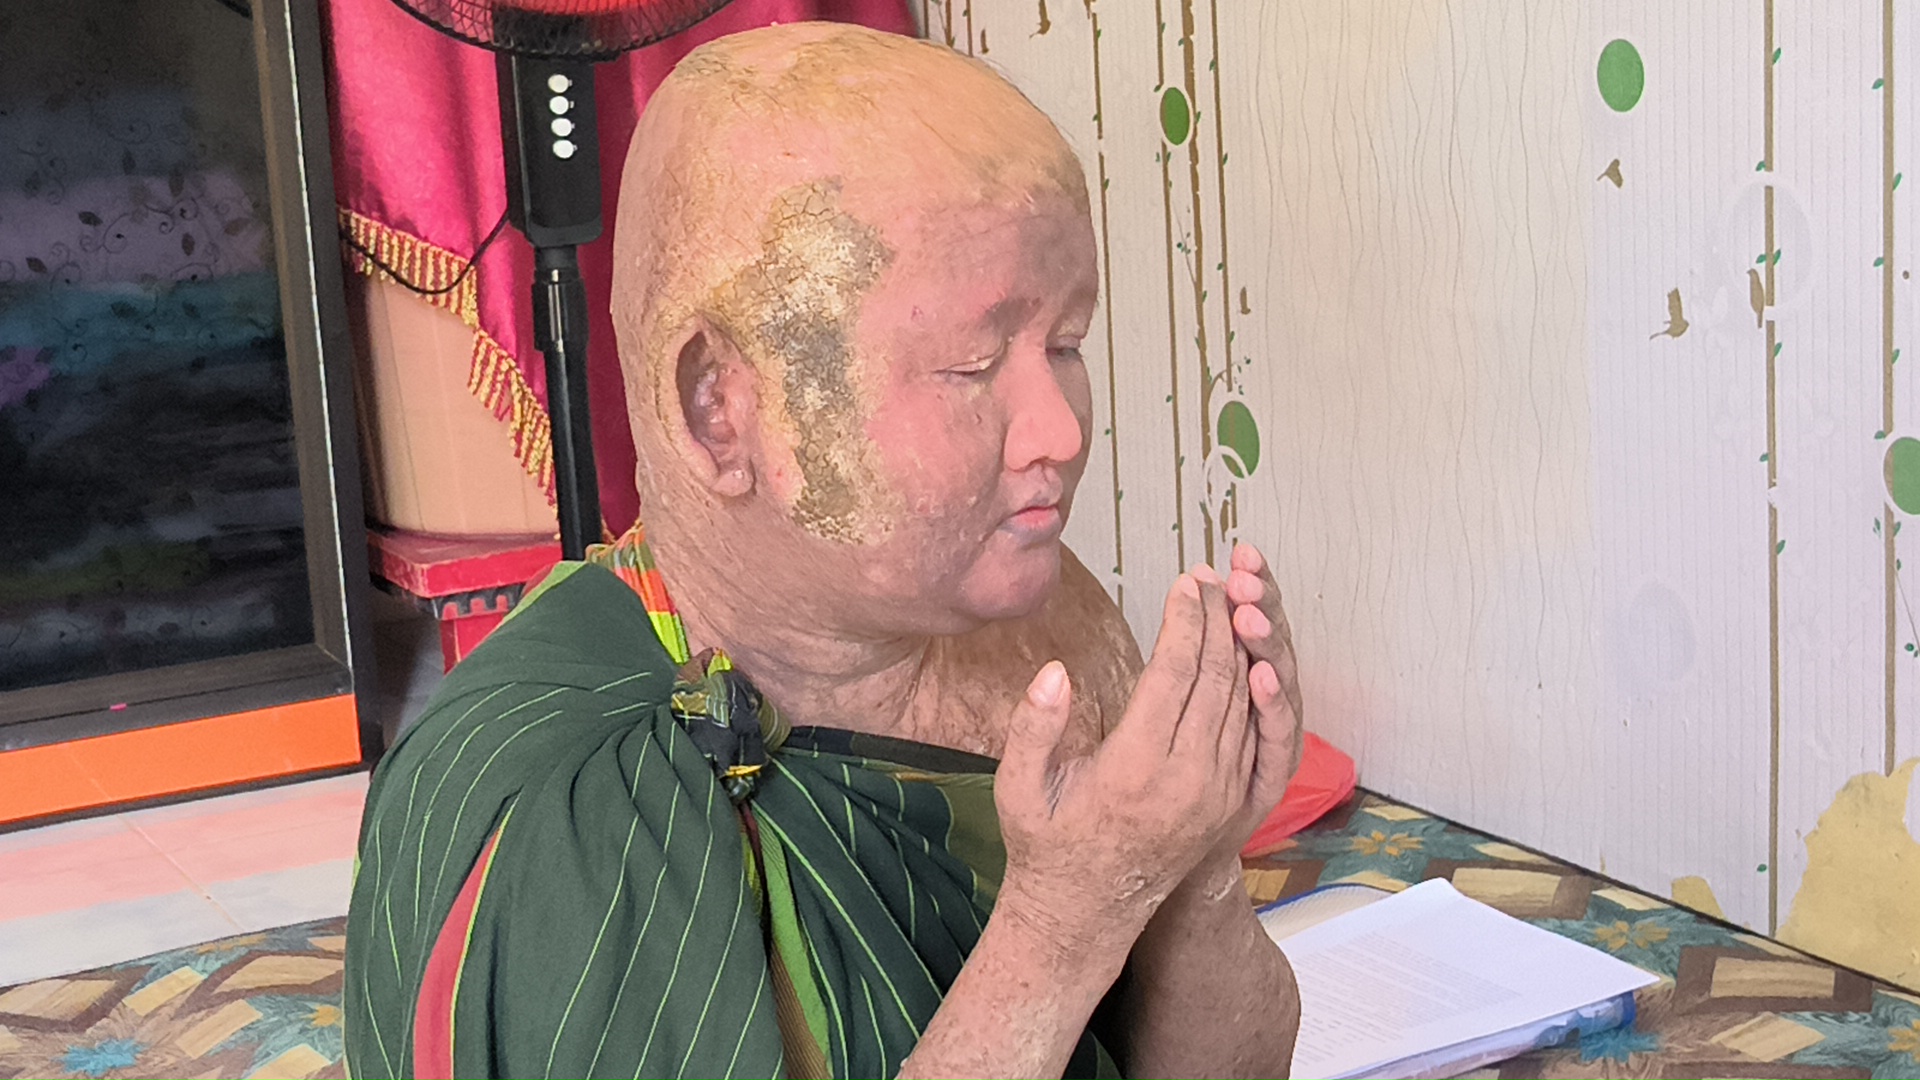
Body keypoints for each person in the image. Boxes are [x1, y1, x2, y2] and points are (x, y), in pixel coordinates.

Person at [344, 21, 1303, 1080]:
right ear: (719, 410)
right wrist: (1061, 923)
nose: (1061, 432)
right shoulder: (567, 821)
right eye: (973, 364)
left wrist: (1196, 857)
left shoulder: (1048, 627)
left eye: (1066, 344)